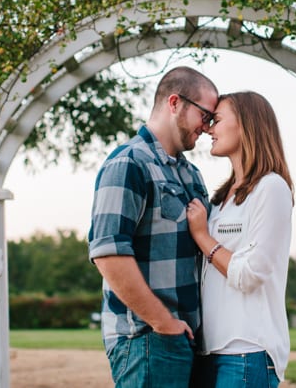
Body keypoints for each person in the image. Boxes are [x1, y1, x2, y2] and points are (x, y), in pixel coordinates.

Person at [88, 66, 219, 388]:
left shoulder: (191, 175)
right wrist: (163, 323)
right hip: (146, 339)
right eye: (205, 115)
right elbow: (108, 254)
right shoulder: (128, 163)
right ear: (175, 103)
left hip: (188, 338)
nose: (208, 126)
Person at [186, 91, 294, 388]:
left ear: (246, 125)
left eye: (216, 120)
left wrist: (202, 237)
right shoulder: (222, 200)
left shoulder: (271, 189)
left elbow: (249, 275)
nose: (208, 128)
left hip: (247, 351)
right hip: (210, 351)